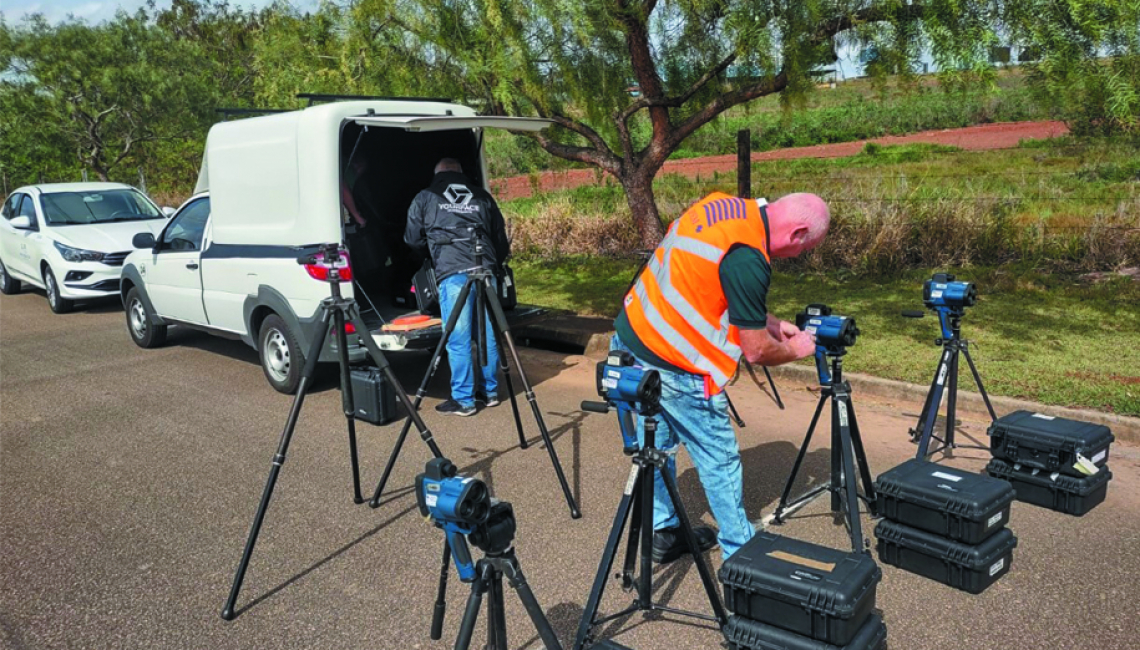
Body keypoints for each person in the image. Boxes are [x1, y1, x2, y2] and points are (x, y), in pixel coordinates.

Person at [612, 191, 830, 563]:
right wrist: (797, 350)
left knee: (658, 446)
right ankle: (740, 554)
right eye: (805, 248)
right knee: (719, 458)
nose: (798, 256)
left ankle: (662, 532)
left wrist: (773, 323)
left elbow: (709, 282)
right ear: (797, 234)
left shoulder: (721, 207)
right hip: (678, 363)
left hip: (635, 338)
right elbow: (756, 351)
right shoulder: (749, 257)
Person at [405, 158, 511, 417]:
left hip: (453, 272)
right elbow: (499, 236)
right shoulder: (482, 195)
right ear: (461, 173)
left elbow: (412, 238)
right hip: (485, 269)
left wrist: (429, 256)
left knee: (458, 337)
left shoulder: (426, 197)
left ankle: (463, 400)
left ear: (437, 174)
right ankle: (490, 392)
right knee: (486, 332)